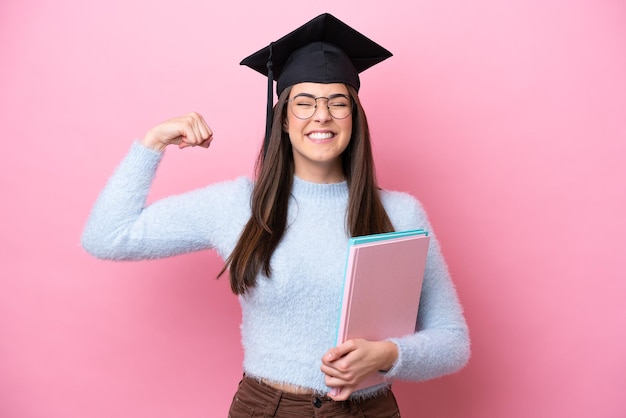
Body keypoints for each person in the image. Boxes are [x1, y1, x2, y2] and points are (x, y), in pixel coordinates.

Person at [81, 13, 470, 417]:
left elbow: (452, 341)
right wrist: (152, 143)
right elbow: (107, 236)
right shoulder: (237, 206)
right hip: (267, 409)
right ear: (283, 118)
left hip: (369, 410)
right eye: (304, 104)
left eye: (338, 103)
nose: (322, 116)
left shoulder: (400, 213)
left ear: (354, 118)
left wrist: (388, 353)